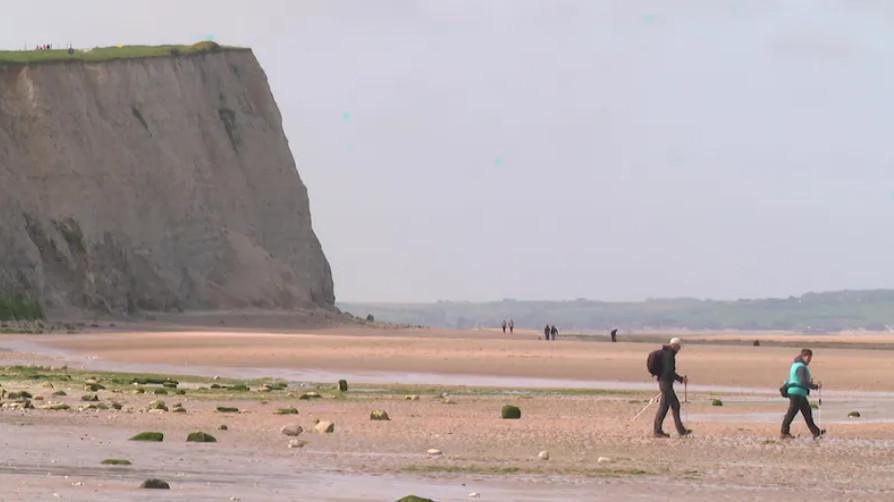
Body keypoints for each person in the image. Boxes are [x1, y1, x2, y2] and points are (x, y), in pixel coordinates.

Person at [780, 349, 825, 439]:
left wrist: (810, 383)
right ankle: (784, 432)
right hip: (796, 393)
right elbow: (803, 381)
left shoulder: (797, 364)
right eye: (808, 358)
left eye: (810, 358)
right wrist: (815, 386)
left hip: (799, 393)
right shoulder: (801, 367)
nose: (809, 360)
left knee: (807, 412)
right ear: (804, 356)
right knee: (791, 413)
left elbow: (801, 380)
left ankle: (816, 432)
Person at [653, 337, 691, 438]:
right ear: (674, 346)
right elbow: (669, 371)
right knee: (669, 406)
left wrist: (680, 379)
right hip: (665, 383)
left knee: (671, 406)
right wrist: (681, 379)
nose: (679, 349)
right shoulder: (669, 355)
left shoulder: (668, 354)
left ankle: (680, 430)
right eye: (678, 347)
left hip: (665, 383)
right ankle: (658, 431)